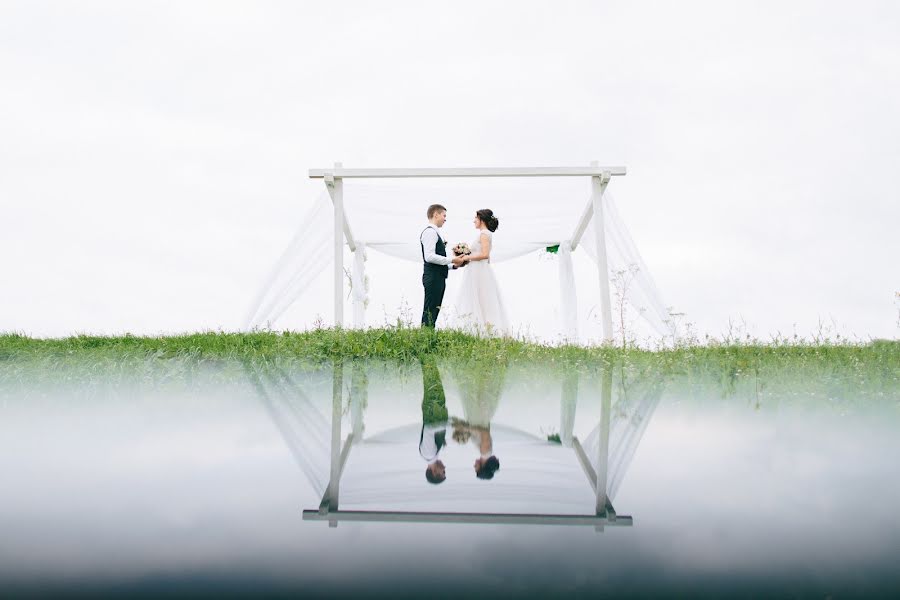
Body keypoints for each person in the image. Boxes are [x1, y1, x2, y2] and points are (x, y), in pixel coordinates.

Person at [444, 209, 509, 336]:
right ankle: (483, 330)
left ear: (481, 220)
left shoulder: (484, 234)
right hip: (479, 270)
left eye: (476, 218)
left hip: (479, 272)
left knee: (480, 299)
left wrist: (467, 257)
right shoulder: (484, 234)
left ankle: (485, 331)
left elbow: (485, 255)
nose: (474, 220)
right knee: (481, 299)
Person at [420, 204, 468, 327]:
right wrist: (452, 259)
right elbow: (429, 257)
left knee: (434, 310)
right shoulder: (430, 232)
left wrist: (454, 265)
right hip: (433, 278)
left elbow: (437, 260)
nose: (445, 219)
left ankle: (428, 337)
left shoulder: (436, 232)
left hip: (438, 277)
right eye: (444, 215)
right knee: (430, 311)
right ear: (436, 214)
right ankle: (425, 338)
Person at [419, 356, 450, 484]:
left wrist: (450, 426)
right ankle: (427, 351)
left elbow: (429, 429)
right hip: (435, 408)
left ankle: (425, 351)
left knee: (431, 379)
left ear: (434, 472)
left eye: (442, 472)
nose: (444, 468)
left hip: (433, 409)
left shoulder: (428, 454)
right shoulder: (432, 454)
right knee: (433, 378)